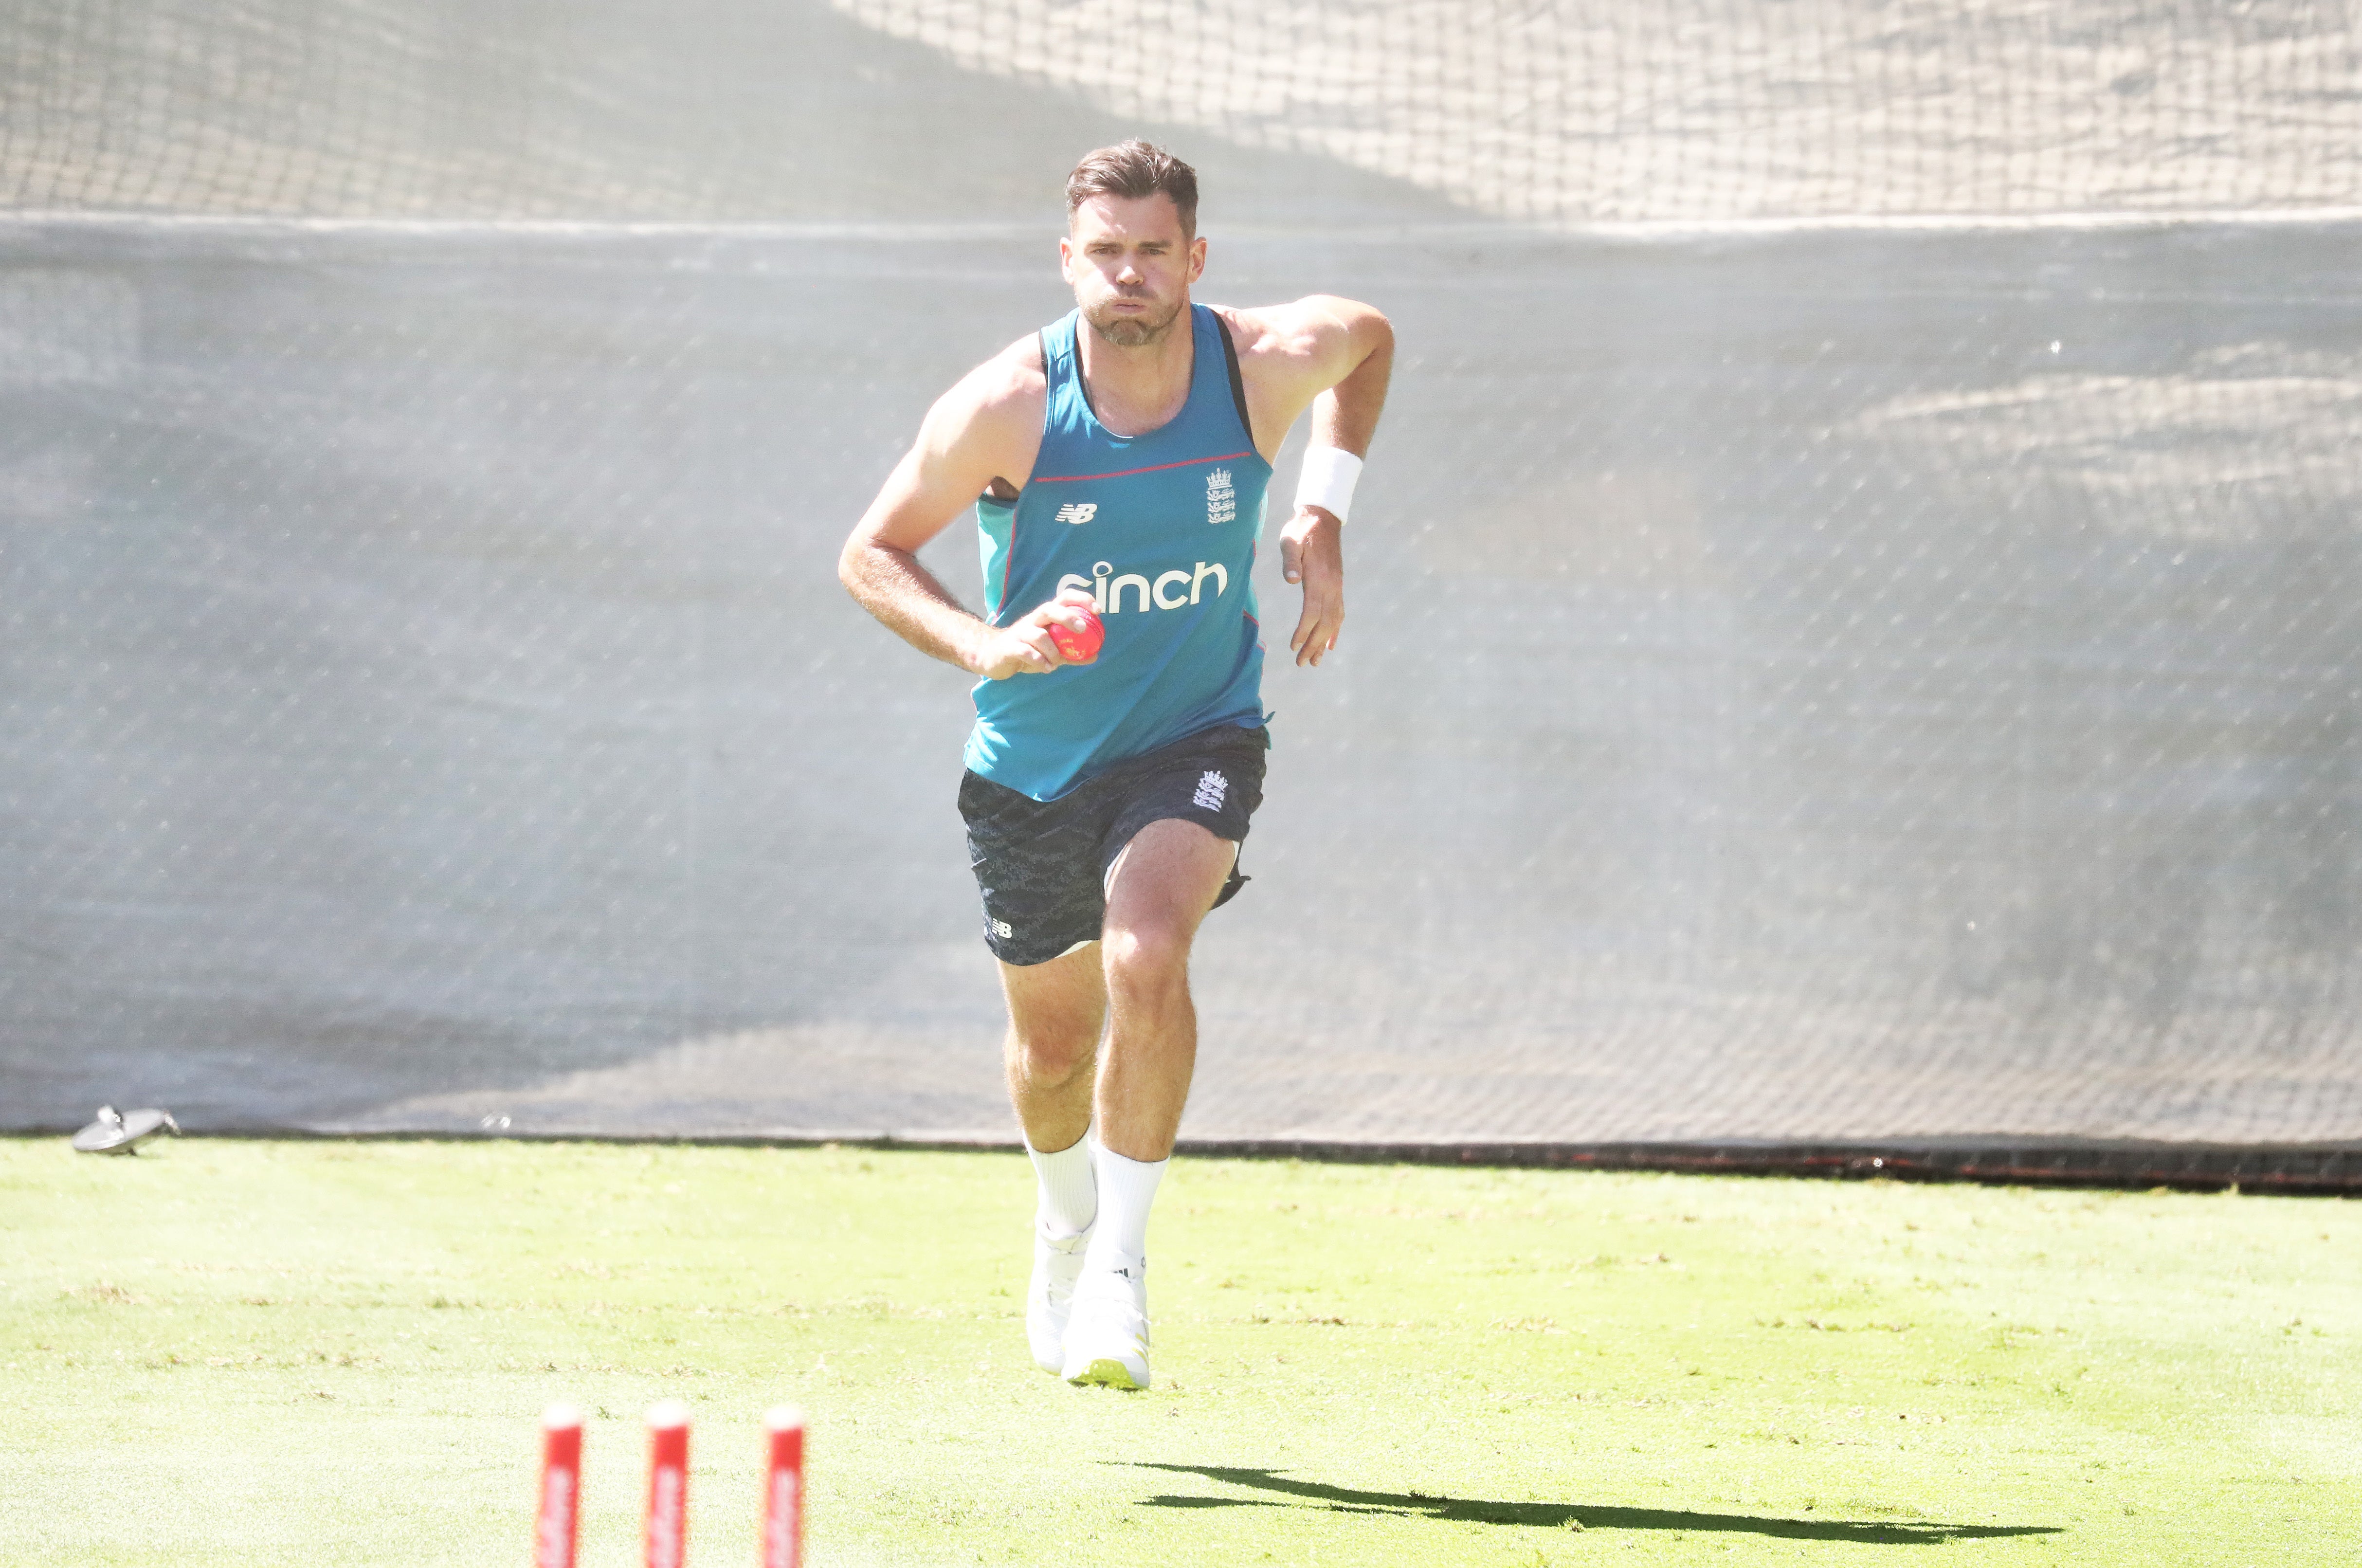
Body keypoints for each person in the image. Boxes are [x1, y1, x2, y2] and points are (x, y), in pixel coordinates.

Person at [837, 140, 1392, 1390]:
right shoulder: (1008, 406)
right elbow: (870, 555)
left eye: (1155, 251)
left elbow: (1368, 335)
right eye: (1106, 252)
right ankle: (1063, 1220)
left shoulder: (1256, 367)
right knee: (1049, 1060)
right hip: (1033, 767)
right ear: (1069, 259)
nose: (1129, 274)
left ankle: (1121, 1281)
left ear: (1196, 259)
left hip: (1197, 735)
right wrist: (988, 642)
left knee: (1150, 947)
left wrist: (1321, 509)